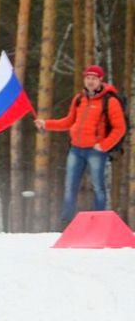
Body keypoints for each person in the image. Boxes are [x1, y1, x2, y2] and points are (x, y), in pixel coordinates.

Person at [34, 65, 126, 224]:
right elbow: (68, 121)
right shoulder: (79, 99)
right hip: (76, 150)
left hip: (96, 151)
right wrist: (46, 124)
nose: (90, 81)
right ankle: (66, 224)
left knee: (98, 188)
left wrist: (104, 145)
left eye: (94, 78)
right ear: (84, 79)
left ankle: (99, 224)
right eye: (88, 78)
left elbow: (120, 128)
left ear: (100, 80)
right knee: (70, 187)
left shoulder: (109, 100)